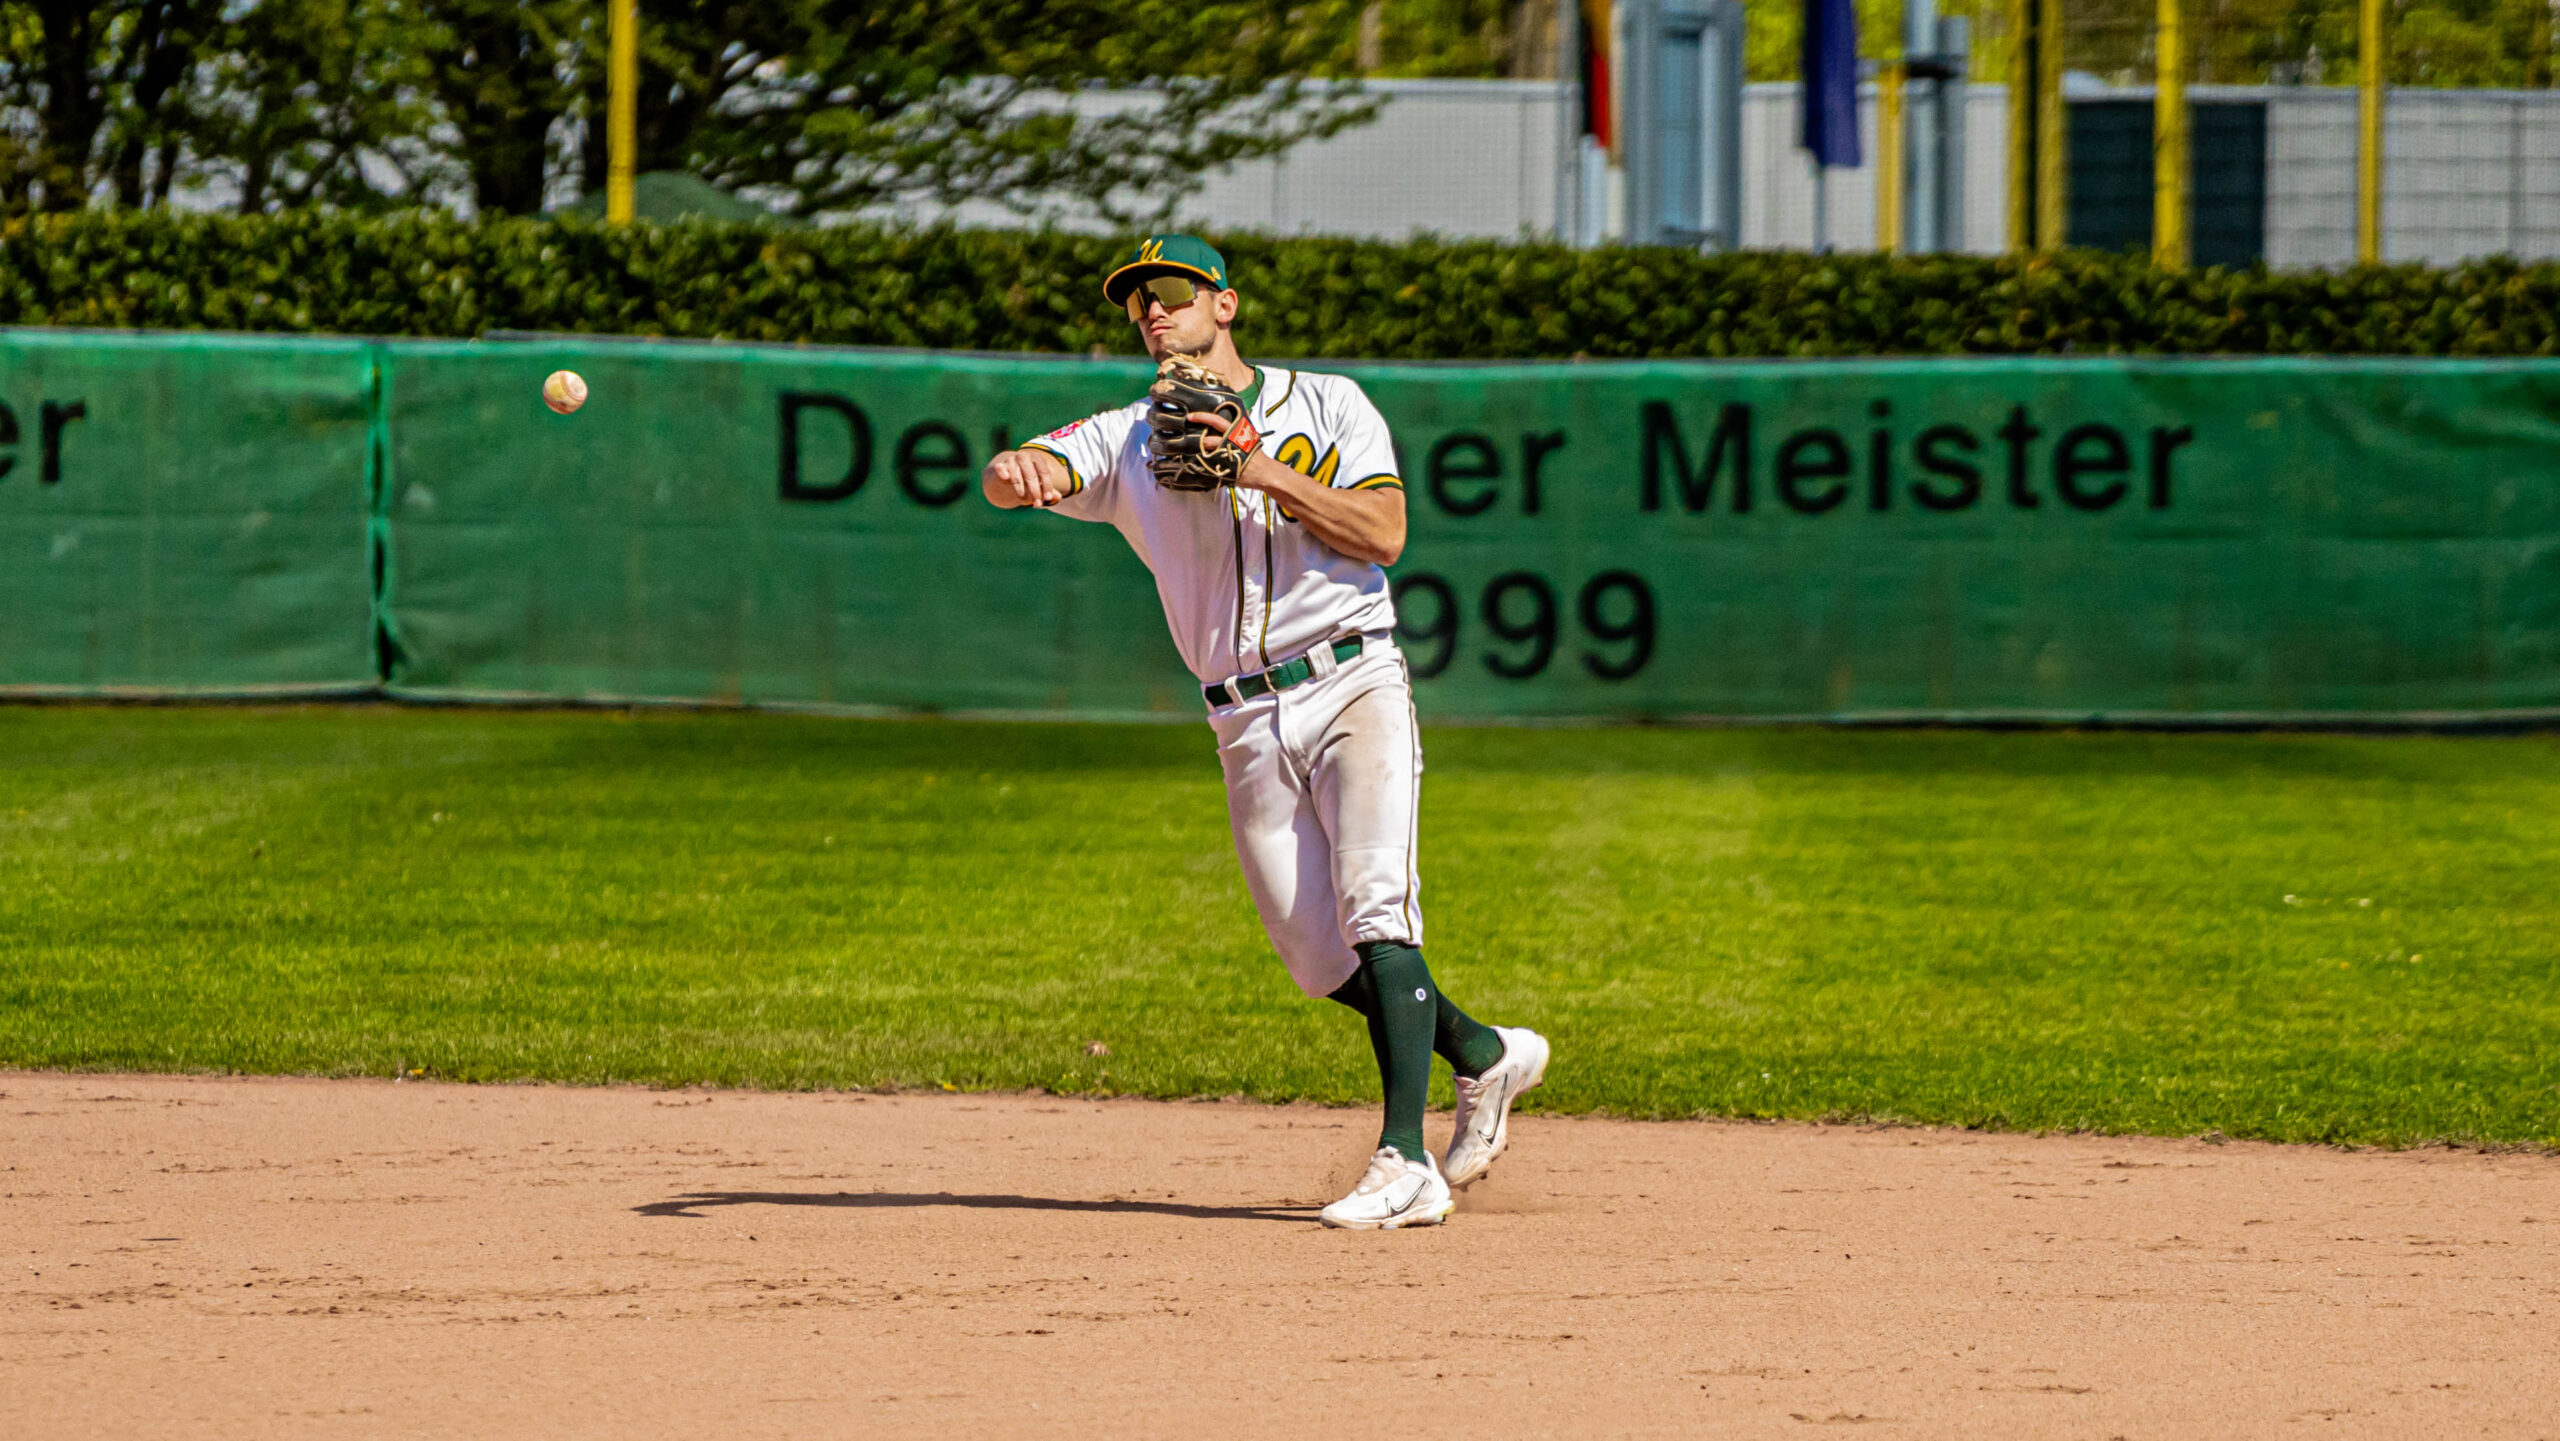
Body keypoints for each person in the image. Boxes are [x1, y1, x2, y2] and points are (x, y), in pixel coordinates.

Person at [980, 235, 1550, 1230]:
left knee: (1378, 912)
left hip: (1352, 677)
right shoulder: (1126, 438)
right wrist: (1014, 468)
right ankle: (1483, 1054)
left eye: (1171, 291)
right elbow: (1021, 468)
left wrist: (1259, 468)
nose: (1153, 311)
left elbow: (1384, 535)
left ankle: (1405, 1159)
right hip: (1241, 714)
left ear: (1225, 304)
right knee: (1317, 959)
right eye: (1136, 302)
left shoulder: (1330, 404)